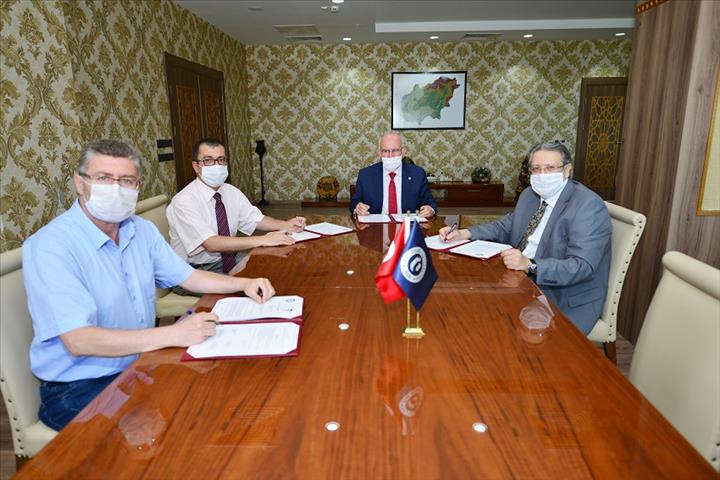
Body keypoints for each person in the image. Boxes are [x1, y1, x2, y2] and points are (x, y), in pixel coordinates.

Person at [22, 139, 276, 431]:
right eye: (104, 178)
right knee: (175, 426)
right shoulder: (51, 246)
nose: (116, 189)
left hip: (139, 363)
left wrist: (244, 283)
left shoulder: (141, 230)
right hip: (80, 386)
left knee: (217, 396)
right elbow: (79, 340)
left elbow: (188, 277)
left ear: (138, 186)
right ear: (80, 183)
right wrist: (173, 334)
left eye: (126, 181)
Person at [439, 141, 611, 334]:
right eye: (536, 169)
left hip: (563, 295)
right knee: (472, 308)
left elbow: (581, 266)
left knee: (501, 327)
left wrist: (530, 265)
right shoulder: (530, 195)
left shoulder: (587, 205)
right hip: (520, 279)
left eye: (550, 168)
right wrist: (464, 233)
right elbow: (505, 226)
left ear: (566, 170)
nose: (542, 175)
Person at [167, 138, 306, 292]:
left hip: (228, 259)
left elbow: (256, 220)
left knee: (276, 274)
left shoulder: (230, 191)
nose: (216, 165)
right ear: (196, 166)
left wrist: (286, 225)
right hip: (192, 273)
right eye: (208, 161)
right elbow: (211, 244)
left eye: (221, 160)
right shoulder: (184, 201)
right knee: (253, 291)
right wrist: (263, 240)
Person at [350, 132, 437, 218]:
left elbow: (430, 202)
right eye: (385, 151)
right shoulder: (366, 175)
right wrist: (357, 208)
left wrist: (430, 209)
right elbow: (354, 202)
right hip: (375, 225)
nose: (390, 155)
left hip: (407, 224)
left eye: (395, 151)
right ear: (379, 153)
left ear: (403, 152)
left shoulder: (417, 174)